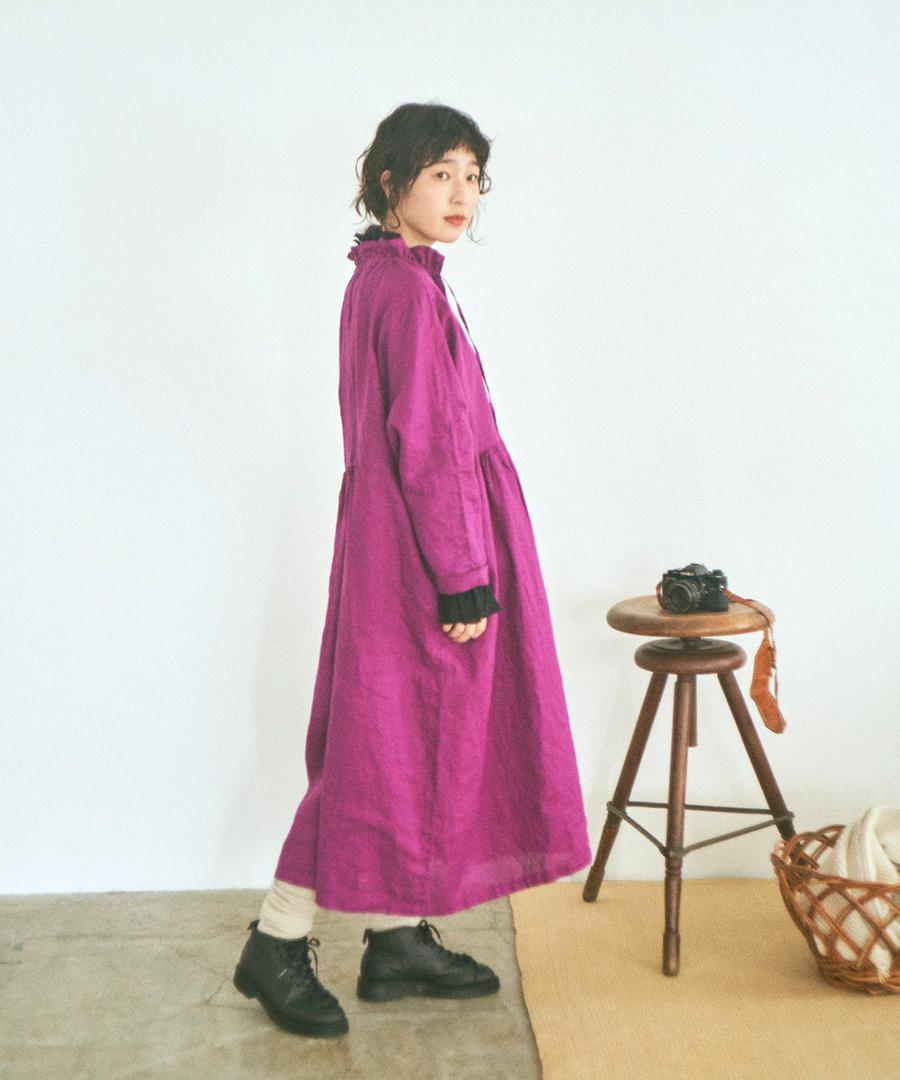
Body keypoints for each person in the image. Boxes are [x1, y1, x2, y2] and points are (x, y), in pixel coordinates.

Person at [233, 102, 592, 1039]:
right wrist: (464, 572)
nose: (462, 193)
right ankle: (276, 940)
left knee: (407, 743)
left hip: (400, 541)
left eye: (473, 176)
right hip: (423, 551)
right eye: (442, 174)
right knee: (375, 750)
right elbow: (429, 444)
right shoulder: (405, 292)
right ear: (391, 182)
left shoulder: (392, 279)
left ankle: (395, 938)